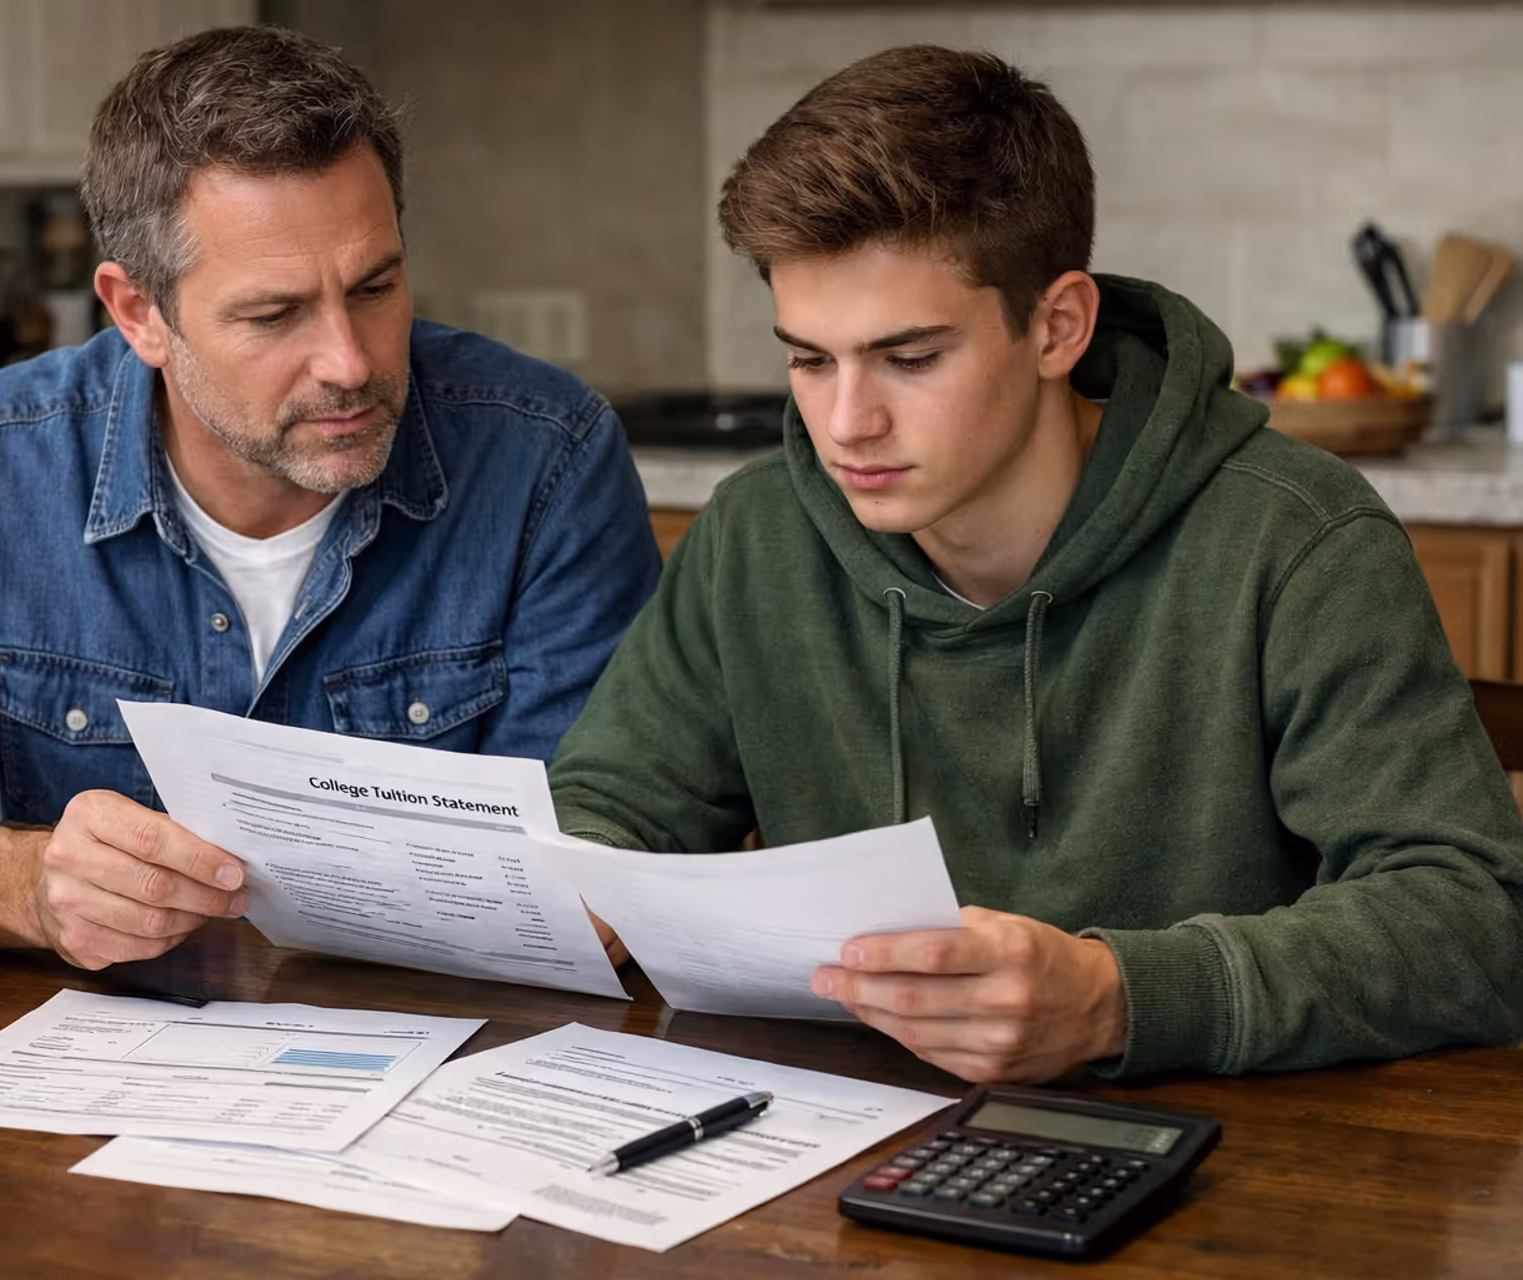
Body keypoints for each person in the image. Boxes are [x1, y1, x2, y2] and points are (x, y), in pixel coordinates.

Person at [548, 44, 1523, 1081]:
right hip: (833, 1160)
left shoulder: (1296, 539)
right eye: (808, 358)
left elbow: (1472, 916)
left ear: (1057, 326)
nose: (846, 424)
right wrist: (575, 880)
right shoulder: (755, 534)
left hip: (1223, 1171)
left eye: (910, 358)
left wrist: (1121, 999)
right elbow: (612, 807)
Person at [0, 27, 660, 971]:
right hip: (98, 1078)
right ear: (139, 313)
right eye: (275, 313)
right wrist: (26, 887)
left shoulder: (548, 457)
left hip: (454, 1061)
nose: (351, 362)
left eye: (375, 286)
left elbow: (597, 853)